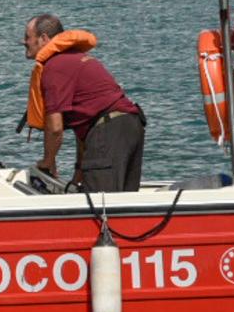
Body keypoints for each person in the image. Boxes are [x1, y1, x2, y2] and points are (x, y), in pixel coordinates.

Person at [21, 13, 145, 192]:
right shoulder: (77, 58)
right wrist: (79, 173)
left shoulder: (54, 67)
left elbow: (55, 128)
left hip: (110, 131)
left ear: (43, 39)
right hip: (130, 125)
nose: (24, 41)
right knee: (123, 201)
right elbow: (87, 127)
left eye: (27, 37)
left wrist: (47, 161)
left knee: (100, 203)